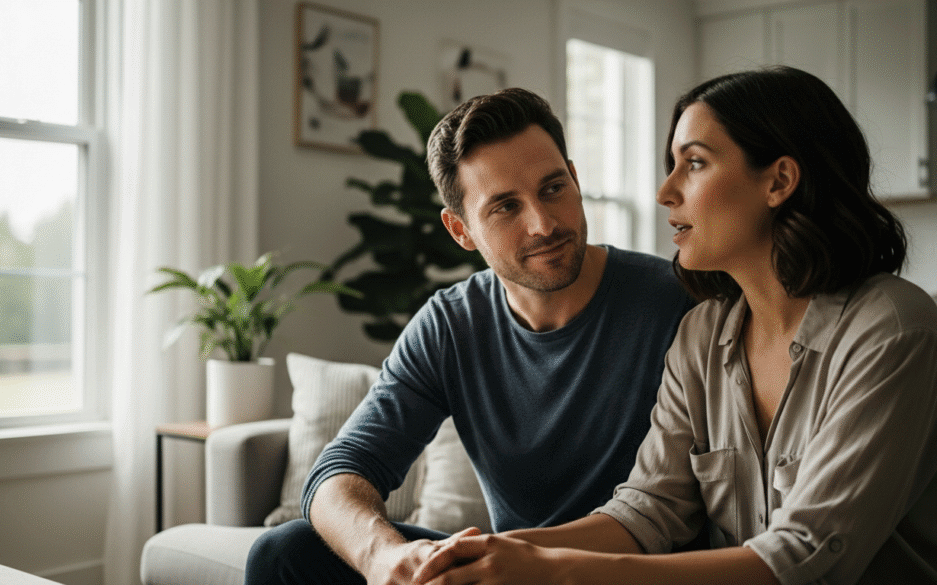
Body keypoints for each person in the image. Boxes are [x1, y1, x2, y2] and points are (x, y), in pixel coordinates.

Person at [413, 66, 937, 585]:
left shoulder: (893, 330)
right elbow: (649, 510)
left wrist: (556, 571)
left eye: (696, 163)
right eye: (672, 165)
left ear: (778, 181)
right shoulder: (703, 334)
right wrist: (495, 555)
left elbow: (806, 555)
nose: (666, 191)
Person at [243, 88, 696, 584]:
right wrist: (385, 559)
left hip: (626, 573)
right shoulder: (450, 325)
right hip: (502, 571)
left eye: (552, 188)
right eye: (505, 207)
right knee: (284, 553)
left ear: (575, 179)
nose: (544, 224)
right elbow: (342, 469)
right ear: (460, 230)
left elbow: (676, 510)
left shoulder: (677, 302)